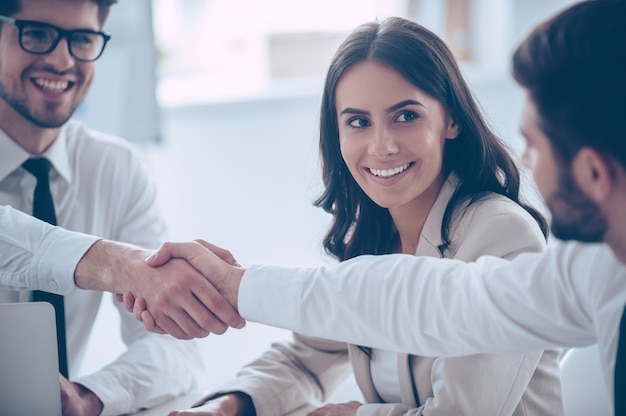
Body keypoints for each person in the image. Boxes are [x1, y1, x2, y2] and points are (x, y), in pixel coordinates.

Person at [137, 0, 626, 413]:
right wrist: (231, 404)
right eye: (357, 122)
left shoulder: (504, 233)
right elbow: (321, 342)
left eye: (405, 116)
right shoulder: (373, 234)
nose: (382, 146)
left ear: (451, 119)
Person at [0, 1, 238, 414]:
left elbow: (174, 352)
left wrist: (89, 396)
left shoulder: (113, 167)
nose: (62, 60)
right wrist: (118, 264)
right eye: (36, 34)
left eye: (83, 39)